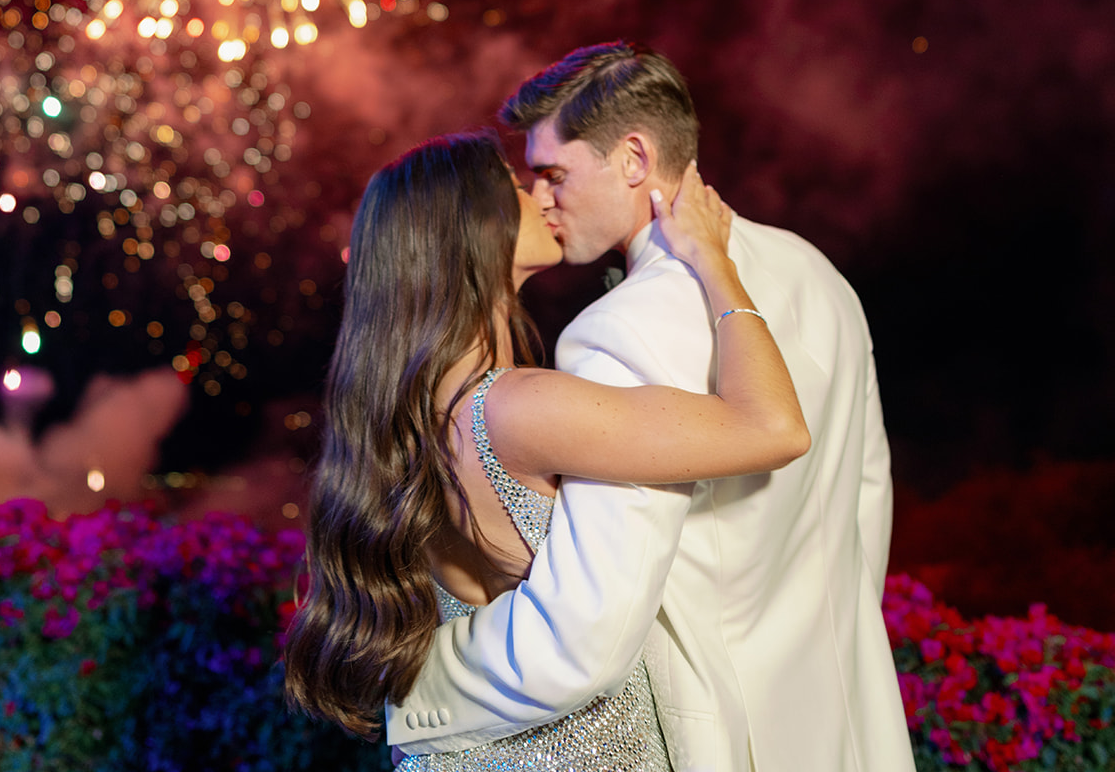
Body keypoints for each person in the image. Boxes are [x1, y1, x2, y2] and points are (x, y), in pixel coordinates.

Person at [388, 43, 916, 772]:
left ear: (633, 158)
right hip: (847, 715)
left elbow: (592, 626)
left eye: (553, 173)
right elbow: (865, 504)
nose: (543, 199)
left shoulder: (615, 330)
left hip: (723, 734)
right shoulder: (815, 272)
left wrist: (415, 689)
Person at [285, 127, 809, 769]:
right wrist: (716, 266)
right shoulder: (519, 407)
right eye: (515, 187)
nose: (540, 195)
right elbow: (775, 427)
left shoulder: (404, 413)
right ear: (476, 228)